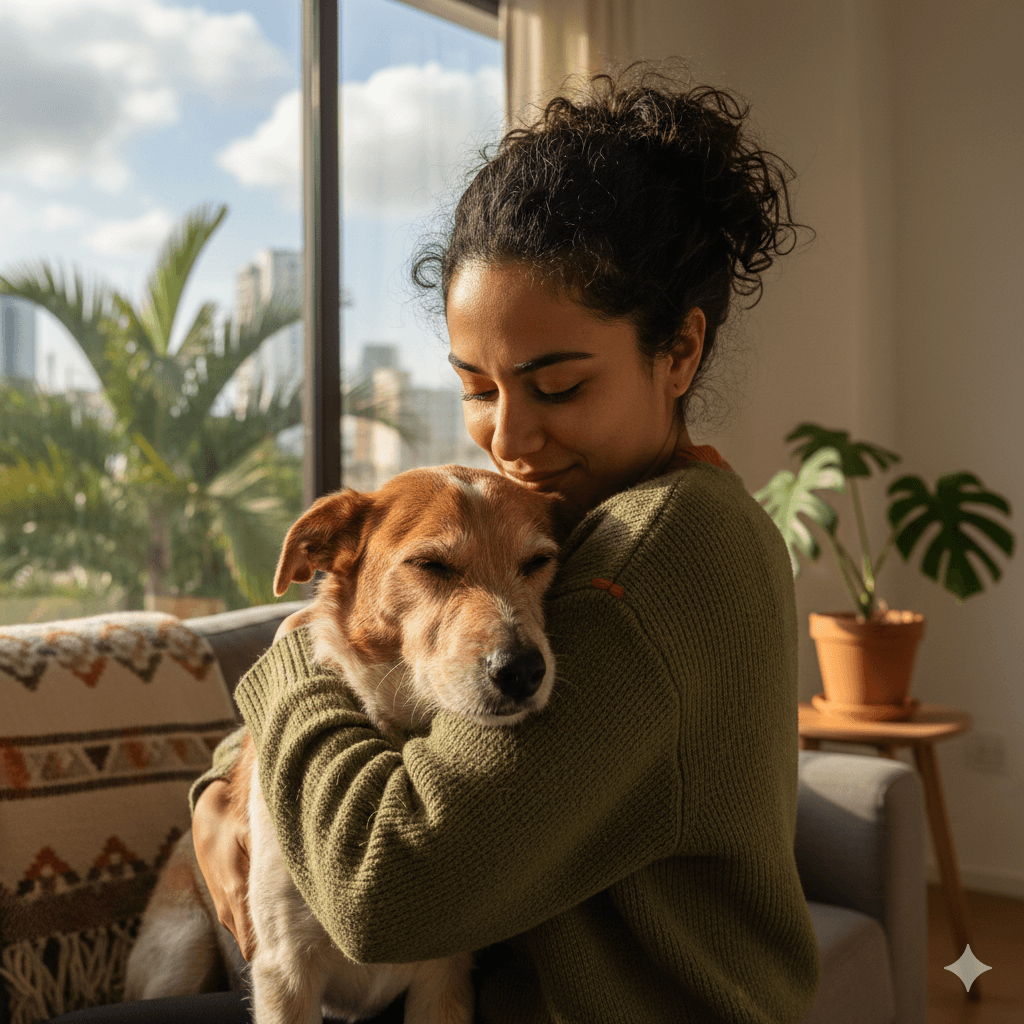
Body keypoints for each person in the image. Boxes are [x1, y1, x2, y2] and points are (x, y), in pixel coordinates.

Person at [50, 61, 819, 1023]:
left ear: (679, 353)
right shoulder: (591, 518)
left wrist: (288, 668)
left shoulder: (658, 548)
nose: (510, 438)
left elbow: (384, 893)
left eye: (559, 385)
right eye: (477, 388)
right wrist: (222, 788)